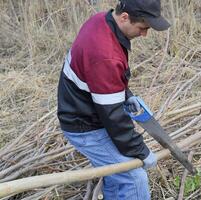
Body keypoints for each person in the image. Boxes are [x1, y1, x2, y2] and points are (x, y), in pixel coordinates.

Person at [57, 0, 170, 199]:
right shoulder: (105, 55)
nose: (144, 34)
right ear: (125, 17)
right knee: (134, 179)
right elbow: (114, 117)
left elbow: (98, 78)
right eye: (142, 28)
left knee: (119, 177)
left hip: (88, 110)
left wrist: (125, 95)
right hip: (85, 125)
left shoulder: (101, 20)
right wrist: (141, 151)